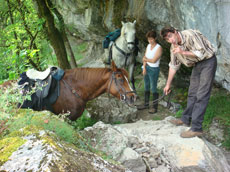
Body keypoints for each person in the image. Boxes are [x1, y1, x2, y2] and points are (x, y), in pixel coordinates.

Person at [160, 26, 217, 138]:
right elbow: (173, 66)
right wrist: (167, 84)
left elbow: (203, 52)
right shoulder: (173, 47)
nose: (170, 40)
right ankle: (185, 119)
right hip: (197, 65)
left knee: (202, 95)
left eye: (170, 36)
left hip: (208, 61)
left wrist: (183, 52)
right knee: (192, 93)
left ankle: (196, 128)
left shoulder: (190, 35)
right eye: (167, 39)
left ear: (175, 32)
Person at [137, 30, 162, 114]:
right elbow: (144, 57)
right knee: (146, 86)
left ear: (155, 38)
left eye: (151, 39)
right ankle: (146, 104)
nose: (150, 41)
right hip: (146, 68)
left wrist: (146, 60)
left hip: (154, 70)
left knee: (153, 88)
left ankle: (155, 107)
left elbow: (154, 60)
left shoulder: (159, 48)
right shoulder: (148, 46)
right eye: (148, 39)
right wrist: (144, 67)